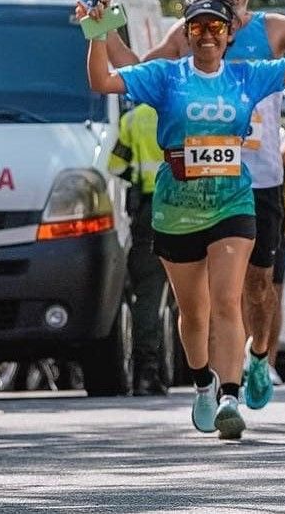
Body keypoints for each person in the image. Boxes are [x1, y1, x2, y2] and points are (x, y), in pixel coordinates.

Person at [105, 0, 285, 411]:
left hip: (260, 180)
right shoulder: (190, 33)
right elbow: (135, 68)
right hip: (195, 187)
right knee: (210, 298)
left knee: (259, 288)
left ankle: (258, 357)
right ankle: (220, 384)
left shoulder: (273, 28)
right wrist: (100, 29)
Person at [85, 0, 285, 438]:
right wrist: (97, 31)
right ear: (186, 32)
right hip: (177, 208)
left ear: (230, 34)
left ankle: (230, 397)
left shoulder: (247, 75)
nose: (207, 35)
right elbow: (102, 81)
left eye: (216, 26)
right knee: (194, 313)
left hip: (233, 201)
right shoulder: (165, 75)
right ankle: (203, 384)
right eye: (197, 26)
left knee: (227, 300)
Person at [110, 103, 170, 395]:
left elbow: (115, 167)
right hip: (190, 206)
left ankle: (146, 373)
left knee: (147, 295)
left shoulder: (133, 119)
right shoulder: (188, 108)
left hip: (149, 212)